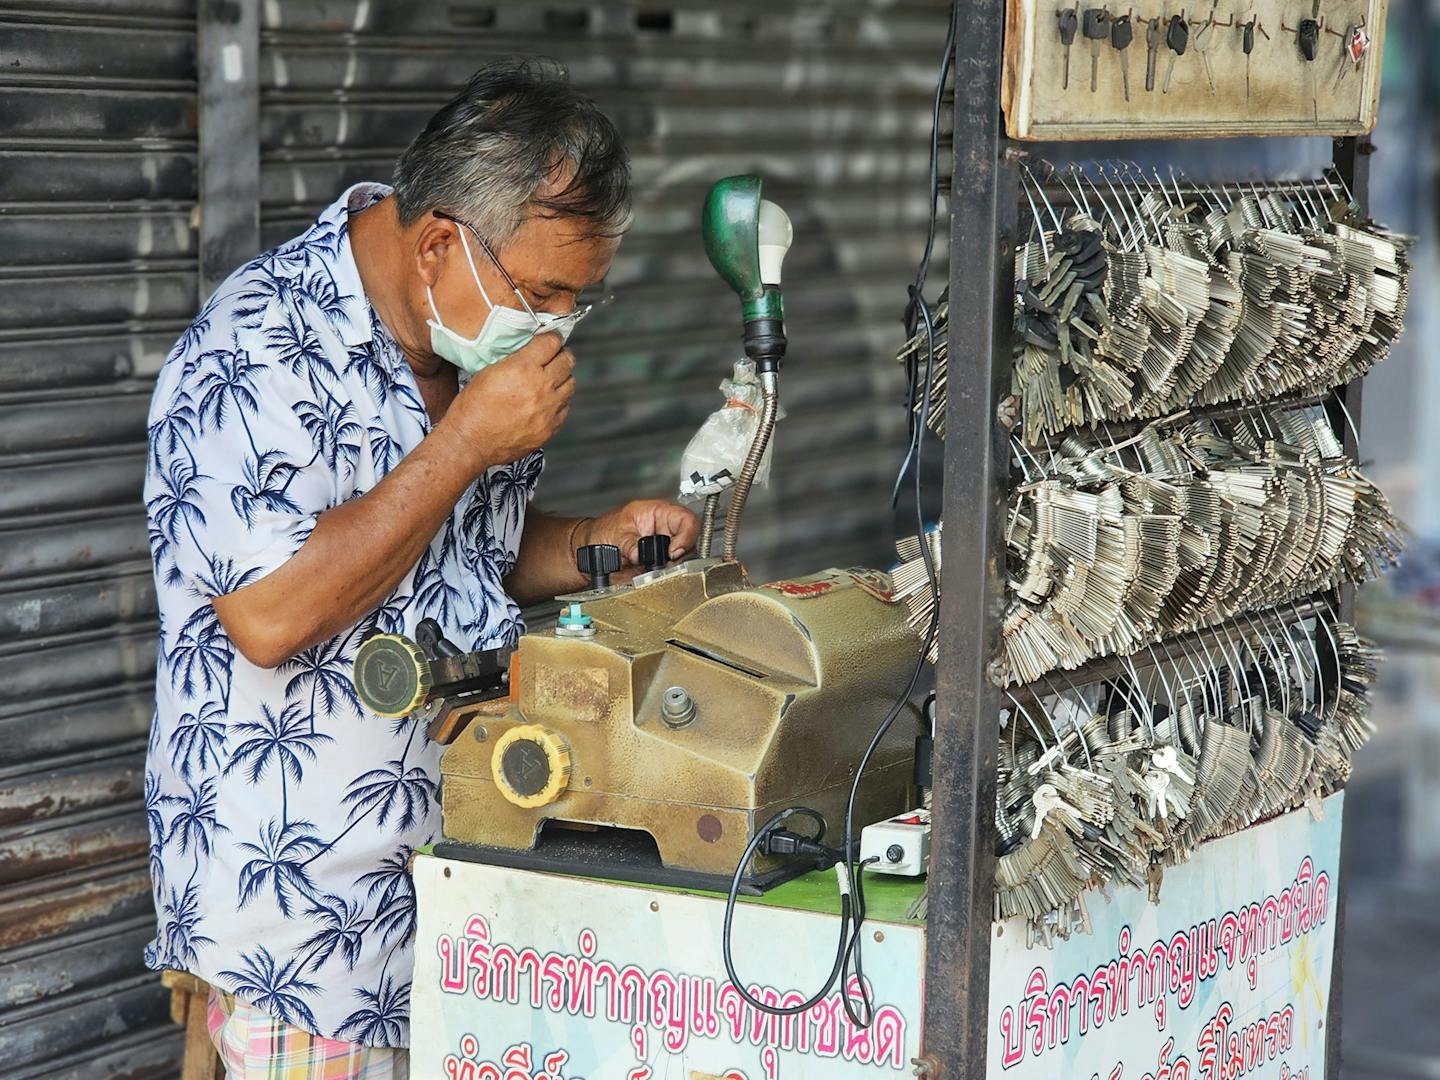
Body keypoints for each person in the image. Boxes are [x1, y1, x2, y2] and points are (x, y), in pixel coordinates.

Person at [142, 58, 697, 1078]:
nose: (559, 323)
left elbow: (459, 555)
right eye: (544, 293)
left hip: (464, 893)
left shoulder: (477, 356)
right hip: (307, 929)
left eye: (582, 301)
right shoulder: (253, 349)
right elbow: (271, 613)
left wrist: (600, 543)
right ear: (440, 242)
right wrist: (466, 444)